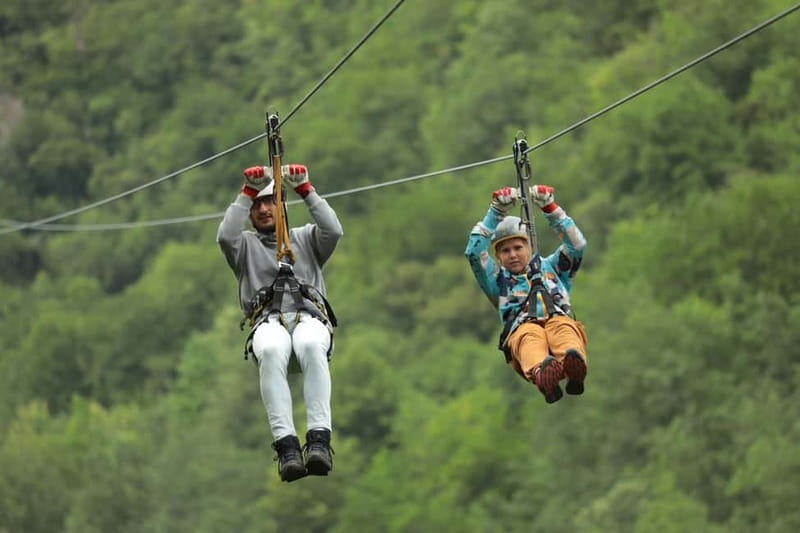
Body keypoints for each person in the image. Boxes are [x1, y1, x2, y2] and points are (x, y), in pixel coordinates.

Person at [217, 163, 343, 482]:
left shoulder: (306, 239)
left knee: (309, 343)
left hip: (309, 318)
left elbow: (333, 230)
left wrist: (306, 189)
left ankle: (319, 440)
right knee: (272, 350)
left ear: (281, 205)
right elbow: (225, 236)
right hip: (268, 323)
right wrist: (247, 191)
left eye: (269, 202)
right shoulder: (245, 246)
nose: (263, 210)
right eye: (256, 205)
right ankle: (287, 447)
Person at [465, 184, 588, 404]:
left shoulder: (554, 268)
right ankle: (544, 374)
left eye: (518, 247)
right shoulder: (498, 281)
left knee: (561, 327)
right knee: (530, 335)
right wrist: (495, 212)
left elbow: (577, 245)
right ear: (498, 257)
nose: (512, 255)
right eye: (505, 251)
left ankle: (572, 364)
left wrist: (551, 208)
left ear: (529, 247)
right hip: (522, 331)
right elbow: (474, 253)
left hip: (558, 318)